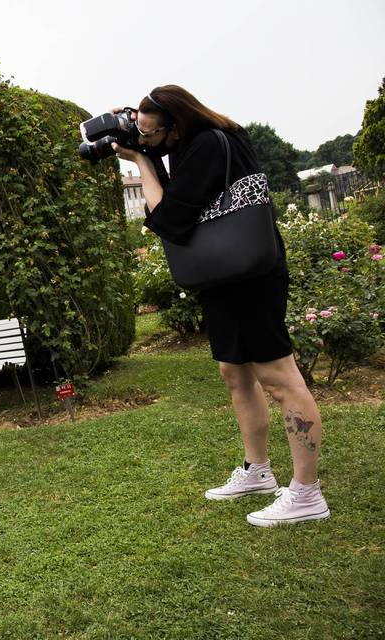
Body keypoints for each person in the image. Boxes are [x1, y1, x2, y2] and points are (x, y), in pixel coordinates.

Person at [111, 85, 330, 527]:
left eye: (153, 135)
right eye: (142, 133)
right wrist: (145, 141)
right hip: (223, 273)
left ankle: (307, 493)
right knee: (234, 371)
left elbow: (169, 218)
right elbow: (189, 201)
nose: (147, 141)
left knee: (278, 375)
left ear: (178, 124)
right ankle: (258, 471)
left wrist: (140, 161)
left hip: (248, 275)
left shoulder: (210, 144)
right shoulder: (201, 141)